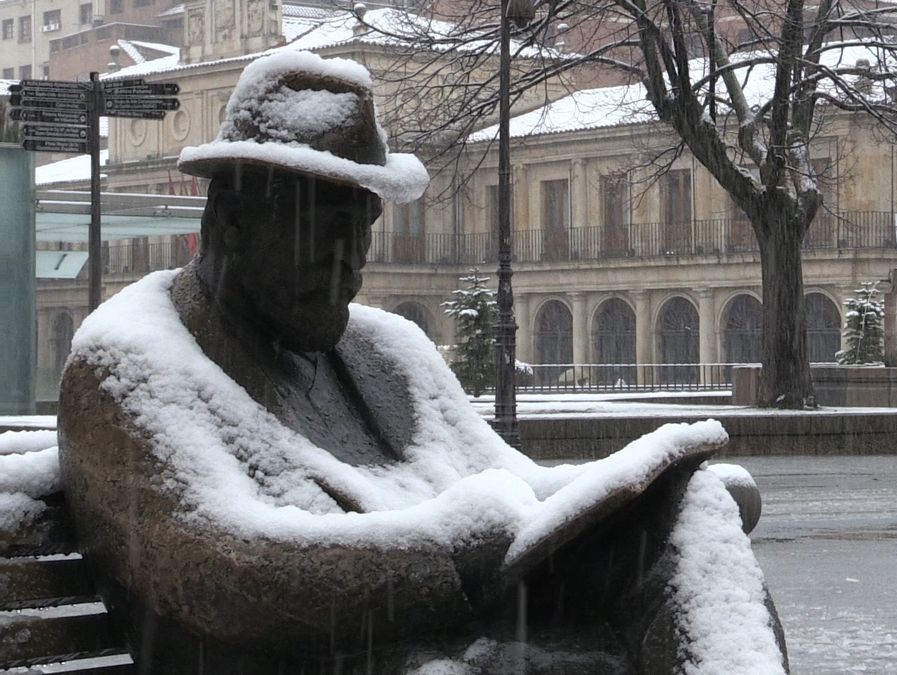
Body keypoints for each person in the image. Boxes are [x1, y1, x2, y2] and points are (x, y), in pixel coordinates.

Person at [58, 51, 787, 673]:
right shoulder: (128, 362)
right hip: (337, 657)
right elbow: (223, 570)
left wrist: (648, 492)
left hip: (451, 642)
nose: (352, 267)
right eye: (324, 235)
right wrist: (453, 549)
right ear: (232, 221)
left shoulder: (383, 350)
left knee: (690, 523)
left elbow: (511, 483)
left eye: (363, 234)